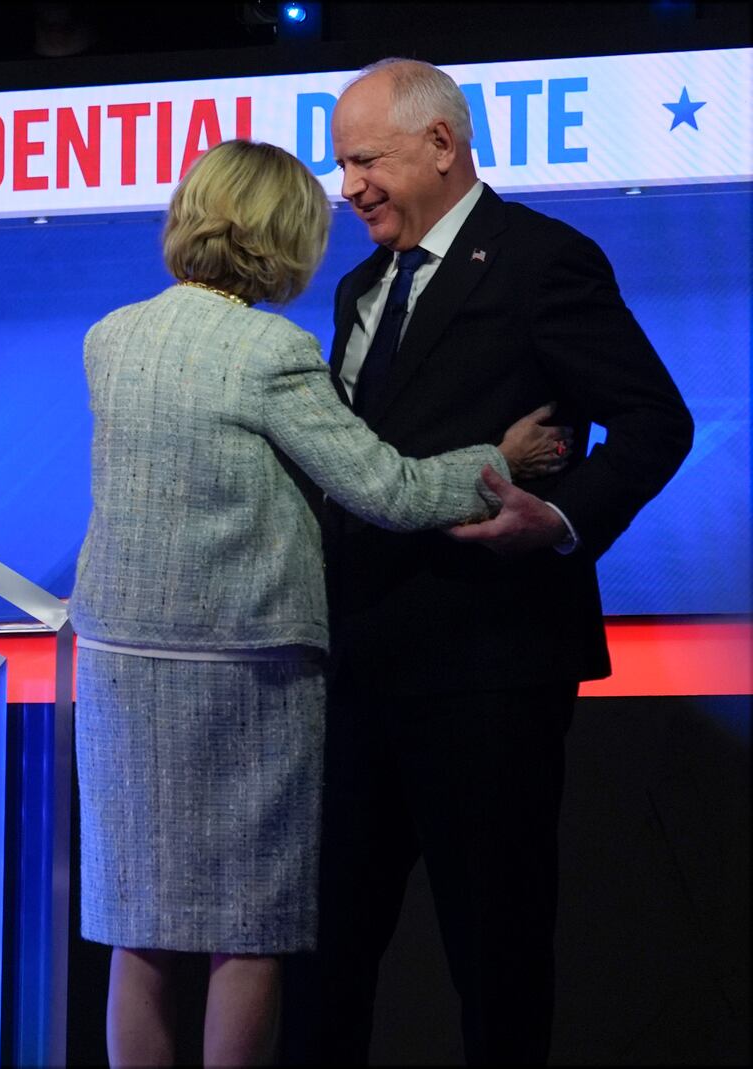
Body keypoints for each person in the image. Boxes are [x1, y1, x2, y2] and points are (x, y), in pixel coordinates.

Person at [69, 138, 570, 1068]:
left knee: (136, 924)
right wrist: (499, 460)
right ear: (283, 235)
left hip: (117, 669)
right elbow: (387, 488)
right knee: (246, 929)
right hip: (243, 674)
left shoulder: (112, 336)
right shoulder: (273, 351)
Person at [295, 58, 695, 1065]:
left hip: (489, 667)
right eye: (341, 166)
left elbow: (655, 421)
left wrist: (555, 516)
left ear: (442, 144)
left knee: (496, 953)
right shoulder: (356, 287)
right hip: (356, 669)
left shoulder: (539, 260)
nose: (350, 189)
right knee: (323, 953)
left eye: (366, 161)